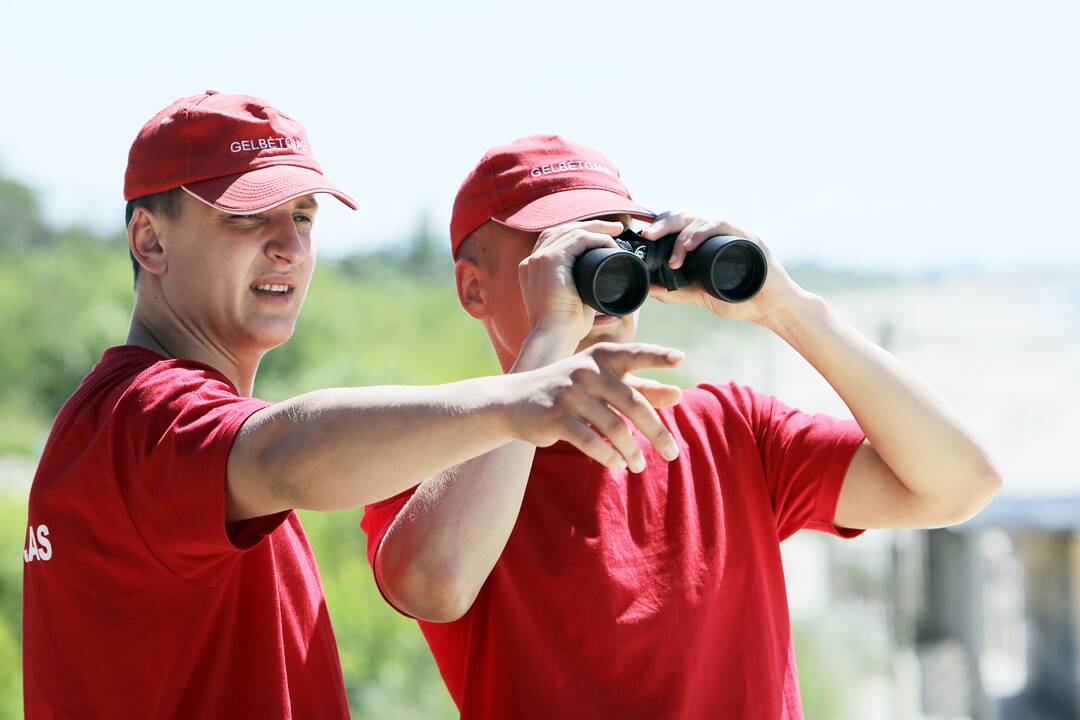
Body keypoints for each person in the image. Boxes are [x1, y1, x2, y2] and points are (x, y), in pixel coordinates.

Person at [21, 98, 686, 719]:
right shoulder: (139, 414)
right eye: (248, 216)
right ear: (150, 241)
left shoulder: (144, 425)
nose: (289, 245)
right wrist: (520, 397)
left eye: (304, 217)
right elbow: (282, 455)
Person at [361, 134, 1002, 718]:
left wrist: (789, 310)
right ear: (474, 290)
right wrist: (551, 334)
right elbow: (435, 584)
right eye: (561, 251)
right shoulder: (432, 448)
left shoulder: (729, 429)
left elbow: (959, 485)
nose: (598, 273)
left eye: (613, 244)